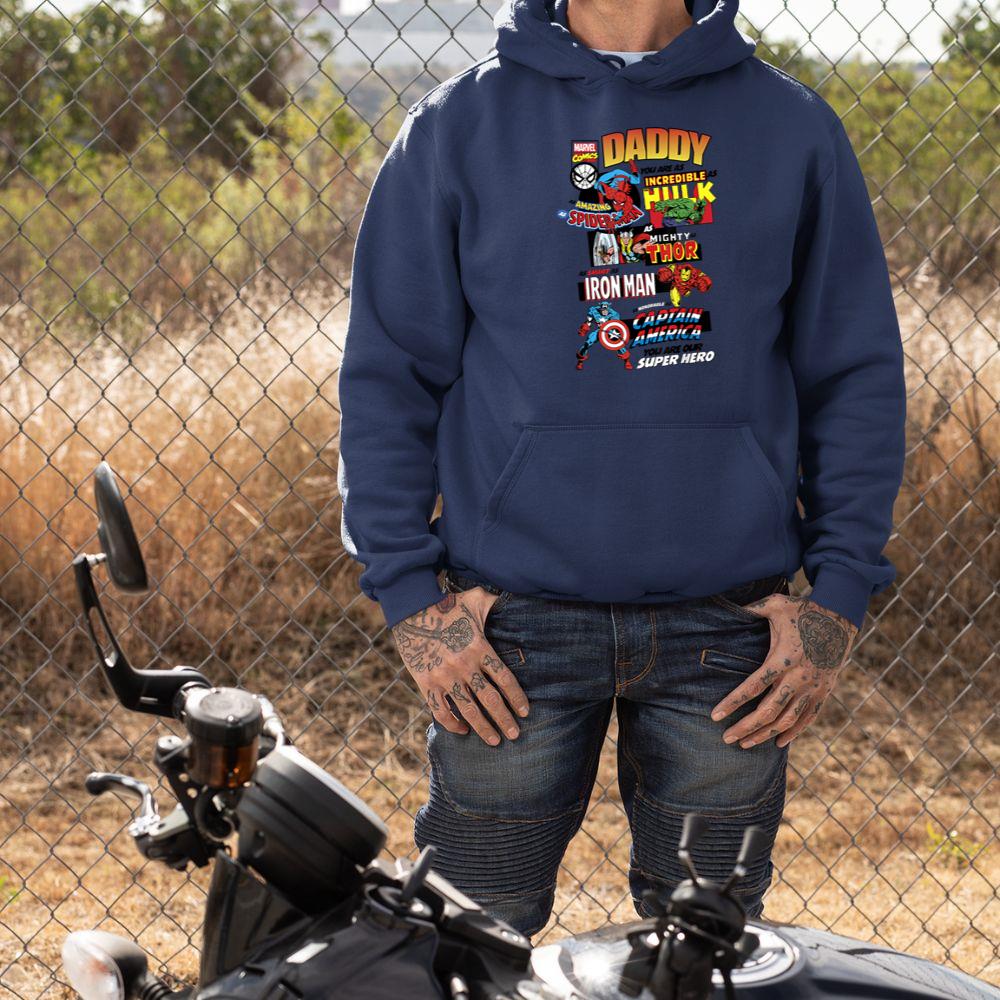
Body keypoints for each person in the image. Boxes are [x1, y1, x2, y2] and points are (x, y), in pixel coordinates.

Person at [337, 0, 906, 936]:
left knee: (702, 955)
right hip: (511, 627)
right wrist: (409, 598)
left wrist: (838, 599)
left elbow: (854, 376)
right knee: (469, 944)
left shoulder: (792, 128)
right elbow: (387, 376)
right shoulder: (456, 127)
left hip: (728, 631)